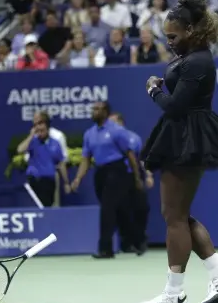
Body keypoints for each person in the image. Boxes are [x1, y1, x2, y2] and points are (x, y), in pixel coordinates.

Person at [137, 0, 218, 303]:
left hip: (188, 137)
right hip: (183, 135)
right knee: (177, 216)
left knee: (174, 217)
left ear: (191, 31)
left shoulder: (198, 60)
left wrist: (154, 89)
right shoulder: (192, 56)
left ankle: (174, 293)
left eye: (173, 36)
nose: (169, 42)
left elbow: (175, 107)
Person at [70, 102, 142, 259]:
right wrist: (78, 179)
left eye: (97, 109)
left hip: (117, 170)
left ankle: (105, 248)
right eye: (93, 109)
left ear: (105, 112)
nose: (94, 112)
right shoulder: (89, 133)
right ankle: (134, 242)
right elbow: (86, 159)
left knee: (107, 209)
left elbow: (130, 154)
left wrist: (136, 177)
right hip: (100, 172)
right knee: (118, 209)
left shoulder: (117, 130)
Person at [109, 112, 154, 255]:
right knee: (122, 211)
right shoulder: (107, 139)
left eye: (113, 122)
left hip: (135, 177)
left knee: (141, 208)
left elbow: (142, 159)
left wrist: (148, 175)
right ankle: (126, 243)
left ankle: (140, 241)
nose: (110, 126)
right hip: (118, 179)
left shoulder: (134, 138)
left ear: (121, 123)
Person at [17, 119, 71, 207]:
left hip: (49, 182)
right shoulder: (32, 142)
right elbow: (20, 150)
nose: (40, 133)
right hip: (35, 180)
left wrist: (66, 182)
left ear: (48, 130)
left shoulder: (55, 143)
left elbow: (61, 164)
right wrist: (31, 136)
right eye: (38, 131)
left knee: (47, 207)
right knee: (35, 207)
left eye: (42, 131)